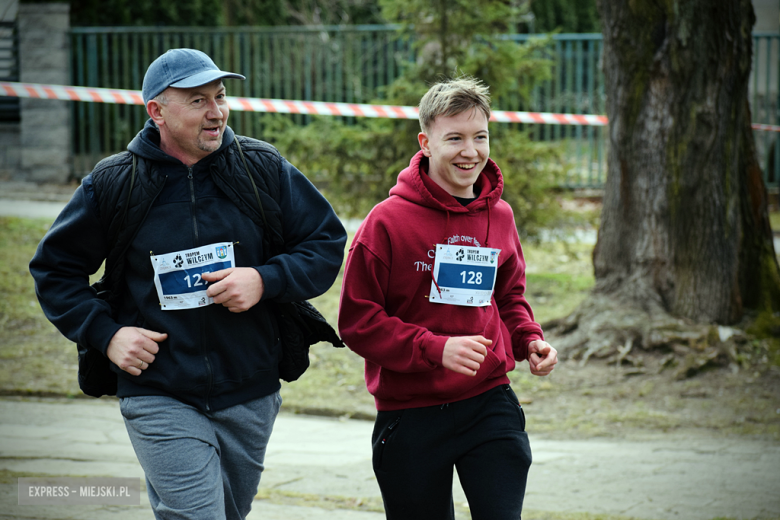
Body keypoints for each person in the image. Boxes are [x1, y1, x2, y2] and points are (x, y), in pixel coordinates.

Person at [30, 48, 347, 520]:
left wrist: (264, 279)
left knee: (228, 513)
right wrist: (107, 334)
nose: (216, 111)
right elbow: (55, 270)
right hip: (158, 390)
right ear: (157, 111)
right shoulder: (113, 183)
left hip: (250, 389)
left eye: (220, 96)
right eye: (198, 100)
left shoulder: (262, 168)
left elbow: (325, 241)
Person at [337, 76, 558, 520]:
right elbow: (358, 322)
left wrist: (528, 339)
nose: (470, 151)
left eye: (480, 137)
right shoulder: (386, 222)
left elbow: (509, 296)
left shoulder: (500, 215)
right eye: (454, 138)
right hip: (410, 413)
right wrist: (435, 348)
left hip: (489, 401)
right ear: (426, 143)